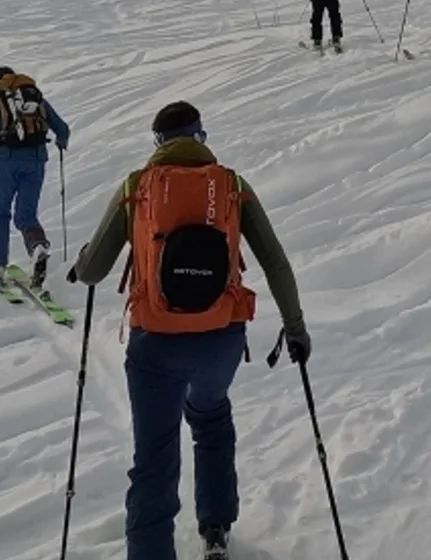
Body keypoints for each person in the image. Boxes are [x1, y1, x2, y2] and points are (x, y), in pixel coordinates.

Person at [66, 101, 311, 560]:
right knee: (211, 415)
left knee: (155, 458)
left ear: (157, 144)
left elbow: (95, 269)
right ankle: (216, 528)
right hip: (220, 338)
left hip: (155, 343)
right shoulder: (232, 184)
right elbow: (274, 261)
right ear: (201, 136)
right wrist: (295, 328)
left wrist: (81, 262)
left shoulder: (137, 185)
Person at [0, 66, 71, 289]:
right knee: (26, 215)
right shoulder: (35, 98)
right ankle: (38, 247)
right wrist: (61, 143)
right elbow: (62, 128)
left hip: (7, 162)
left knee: (1, 213)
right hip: (37, 160)